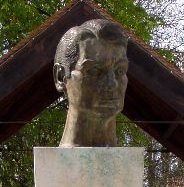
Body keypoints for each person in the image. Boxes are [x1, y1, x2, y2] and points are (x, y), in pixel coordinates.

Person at [53, 19, 128, 147]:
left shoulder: (131, 164)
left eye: (120, 71)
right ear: (60, 77)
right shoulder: (50, 163)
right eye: (94, 70)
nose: (111, 83)